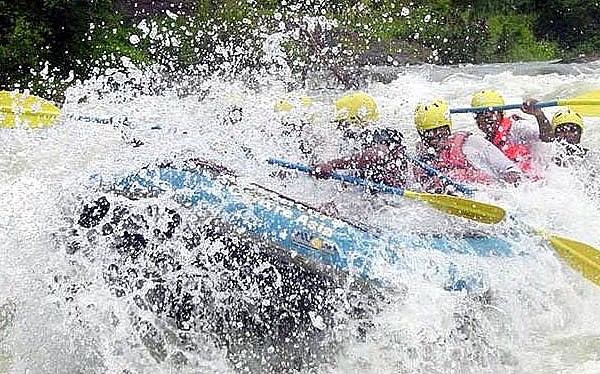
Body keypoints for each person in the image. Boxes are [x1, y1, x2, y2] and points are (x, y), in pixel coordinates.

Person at [414, 98, 522, 193]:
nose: (435, 136)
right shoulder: (421, 159)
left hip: (488, 194)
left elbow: (513, 170)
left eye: (439, 130)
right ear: (420, 133)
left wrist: (505, 185)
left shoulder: (472, 143)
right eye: (429, 132)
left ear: (448, 128)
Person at [470, 90, 541, 174]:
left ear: (501, 114)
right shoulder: (484, 144)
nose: (487, 117)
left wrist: (539, 115)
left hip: (532, 180)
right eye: (481, 114)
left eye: (492, 112)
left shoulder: (517, 127)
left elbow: (548, 137)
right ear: (477, 121)